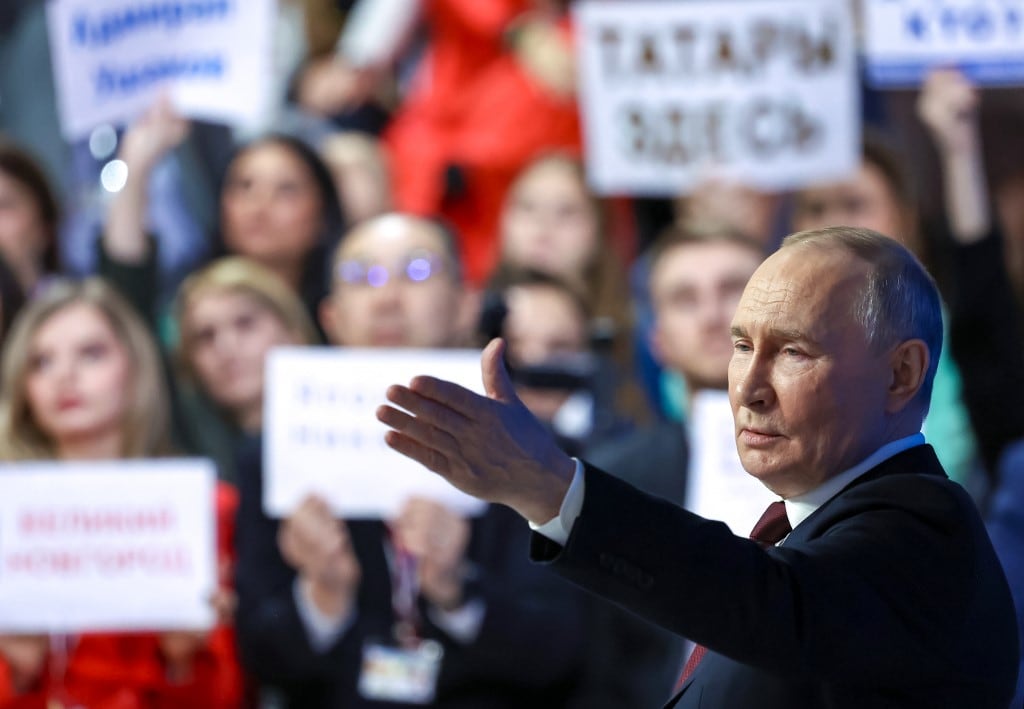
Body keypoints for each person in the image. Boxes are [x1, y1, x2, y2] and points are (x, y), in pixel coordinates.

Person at [377, 226, 1019, 708]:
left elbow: (761, 599)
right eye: (743, 346)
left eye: (793, 351)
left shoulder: (921, 526)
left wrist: (551, 486)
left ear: (901, 373)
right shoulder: (816, 526)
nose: (750, 387)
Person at [234, 213, 586, 707]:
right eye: (363, 277)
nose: (387, 297)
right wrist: (322, 596)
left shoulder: (531, 449)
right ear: (331, 316)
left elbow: (562, 649)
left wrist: (457, 591)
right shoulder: (273, 455)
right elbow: (260, 657)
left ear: (465, 306)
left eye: (417, 272)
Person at [0, 278, 242, 708]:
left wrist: (181, 660)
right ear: (23, 386)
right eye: (41, 362)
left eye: (90, 354)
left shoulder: (206, 510)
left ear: (135, 368)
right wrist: (17, 671)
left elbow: (228, 696)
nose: (65, 376)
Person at [174, 256, 321, 483]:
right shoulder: (186, 461)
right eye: (206, 336)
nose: (226, 348)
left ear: (294, 333)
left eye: (245, 323)